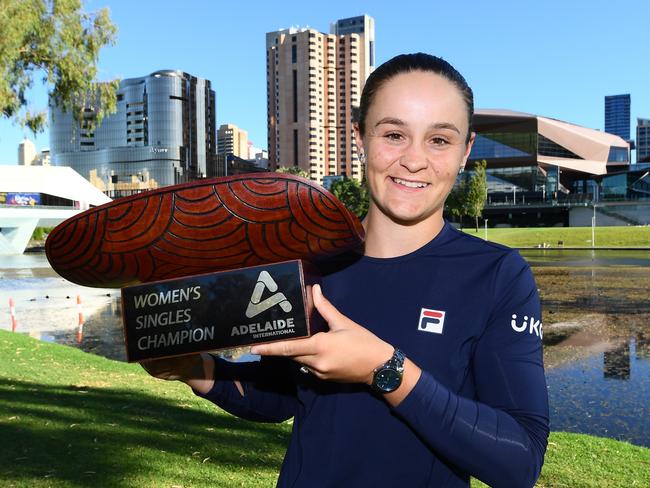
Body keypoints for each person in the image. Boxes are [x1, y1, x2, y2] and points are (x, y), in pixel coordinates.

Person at [142, 53, 549, 488]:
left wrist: (386, 369)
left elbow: (519, 461)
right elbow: (280, 397)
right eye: (394, 134)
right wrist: (194, 368)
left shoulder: (498, 276)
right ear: (359, 139)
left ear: (466, 151)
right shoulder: (306, 261)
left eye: (439, 140)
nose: (414, 160)